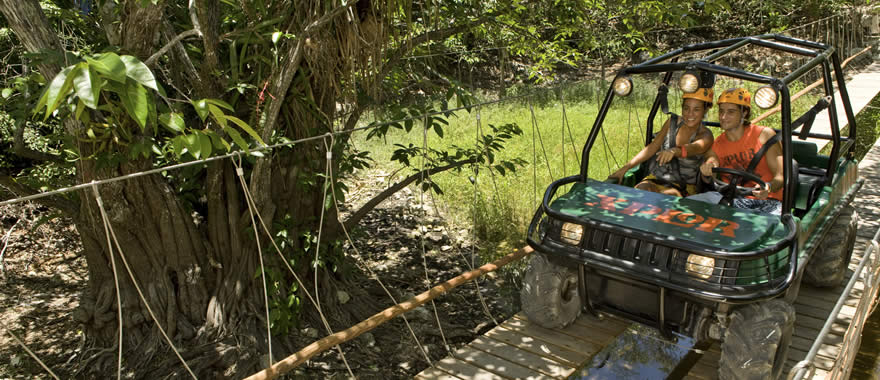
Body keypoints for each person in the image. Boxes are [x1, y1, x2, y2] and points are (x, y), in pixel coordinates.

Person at [608, 87, 715, 197]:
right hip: (656, 178)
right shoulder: (672, 123)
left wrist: (674, 151)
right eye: (686, 108)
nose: (690, 114)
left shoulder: (706, 135)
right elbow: (652, 147)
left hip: (682, 187)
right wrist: (625, 168)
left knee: (669, 198)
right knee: (641, 191)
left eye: (696, 109)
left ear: (705, 111)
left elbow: (694, 148)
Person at [697, 87, 785, 215]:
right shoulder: (717, 144)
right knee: (689, 205)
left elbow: (781, 177)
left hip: (767, 200)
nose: (723, 117)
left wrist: (768, 187)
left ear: (744, 113)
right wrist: (707, 170)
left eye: (731, 112)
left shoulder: (764, 136)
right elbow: (712, 165)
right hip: (732, 200)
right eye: (721, 111)